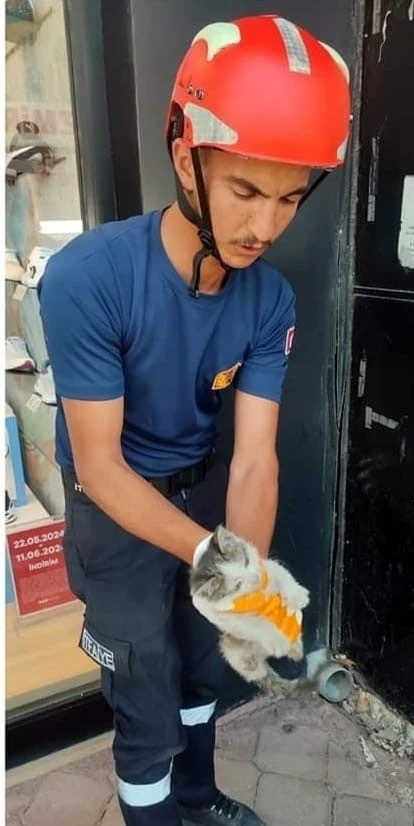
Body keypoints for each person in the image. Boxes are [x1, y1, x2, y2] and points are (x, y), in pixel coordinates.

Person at [39, 14, 350, 826]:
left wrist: (244, 578)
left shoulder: (270, 299)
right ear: (187, 158)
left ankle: (199, 798)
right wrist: (219, 558)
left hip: (203, 490)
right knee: (145, 692)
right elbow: (100, 466)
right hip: (116, 511)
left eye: (288, 198)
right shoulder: (87, 278)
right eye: (246, 191)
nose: (266, 227)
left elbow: (254, 460)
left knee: (206, 665)